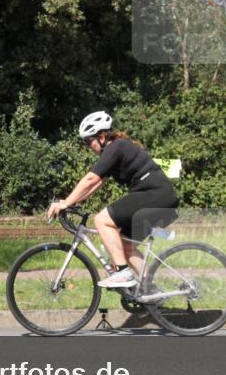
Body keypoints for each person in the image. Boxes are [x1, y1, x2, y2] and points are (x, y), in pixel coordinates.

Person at [46, 111, 178, 288]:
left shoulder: (115, 147)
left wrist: (65, 203)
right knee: (125, 245)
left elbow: (90, 179)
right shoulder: (115, 150)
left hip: (155, 195)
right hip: (159, 197)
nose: (87, 146)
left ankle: (123, 273)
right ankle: (151, 290)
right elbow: (95, 184)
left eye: (88, 141)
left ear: (101, 137)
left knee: (102, 220)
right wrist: (72, 202)